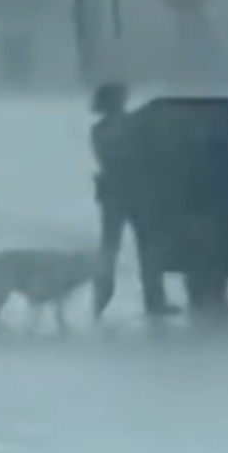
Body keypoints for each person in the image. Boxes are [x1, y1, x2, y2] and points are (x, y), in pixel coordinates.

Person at [90, 82, 176, 320]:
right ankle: (153, 300)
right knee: (144, 248)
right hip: (136, 194)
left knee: (112, 248)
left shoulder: (101, 130)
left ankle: (102, 298)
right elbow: (143, 153)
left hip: (117, 195)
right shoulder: (131, 126)